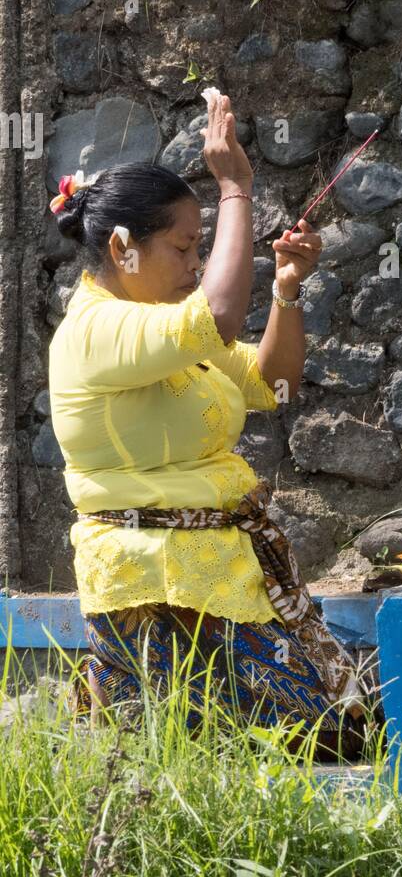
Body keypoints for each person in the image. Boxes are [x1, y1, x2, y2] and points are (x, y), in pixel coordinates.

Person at [48, 92, 370, 759]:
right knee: (197, 764)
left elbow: (272, 385)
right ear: (122, 248)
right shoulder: (99, 330)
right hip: (155, 587)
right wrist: (234, 190)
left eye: (199, 250)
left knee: (325, 741)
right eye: (184, 247)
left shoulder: (166, 332)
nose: (195, 266)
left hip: (223, 574)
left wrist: (284, 290)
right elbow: (220, 317)